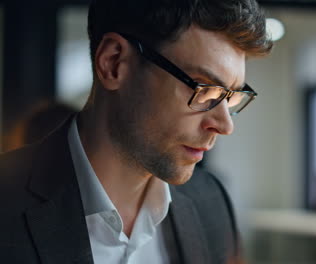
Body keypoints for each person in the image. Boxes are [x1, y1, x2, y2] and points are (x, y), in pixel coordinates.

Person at [0, 0, 272, 263]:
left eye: (231, 97)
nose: (225, 125)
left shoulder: (210, 201)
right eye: (205, 90)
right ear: (114, 63)